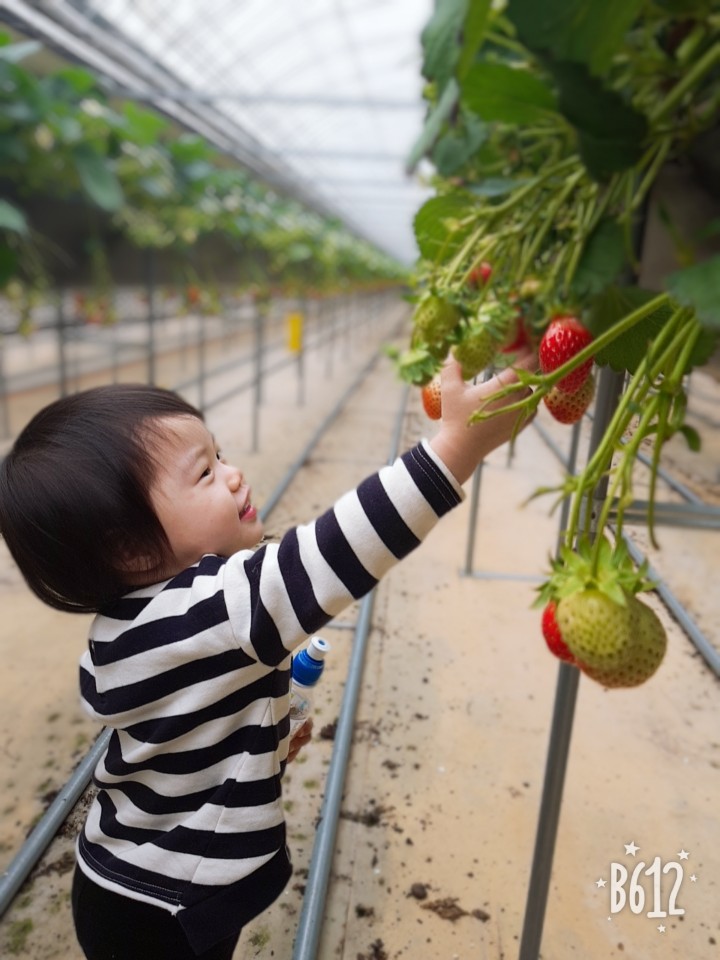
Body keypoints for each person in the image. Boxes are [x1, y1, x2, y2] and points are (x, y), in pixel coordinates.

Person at [0, 355, 534, 960]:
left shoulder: (130, 629)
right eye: (204, 473)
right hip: (161, 909)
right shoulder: (210, 612)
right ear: (129, 549)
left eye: (221, 455)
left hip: (135, 882)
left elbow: (185, 724)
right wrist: (455, 448)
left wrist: (264, 742)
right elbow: (332, 552)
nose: (232, 475)